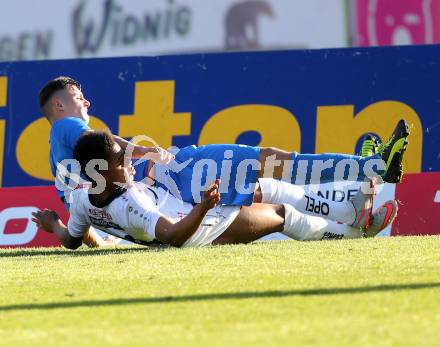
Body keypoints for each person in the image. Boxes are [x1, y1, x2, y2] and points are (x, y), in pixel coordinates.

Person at [32, 131, 398, 249]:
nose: (128, 160)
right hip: (199, 229)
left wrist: (54, 227)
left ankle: (352, 210)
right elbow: (173, 236)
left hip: (178, 203)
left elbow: (73, 240)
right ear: (103, 172)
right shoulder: (131, 204)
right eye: (121, 160)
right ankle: (355, 232)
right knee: (282, 216)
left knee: (260, 186)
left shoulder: (82, 196)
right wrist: (204, 207)